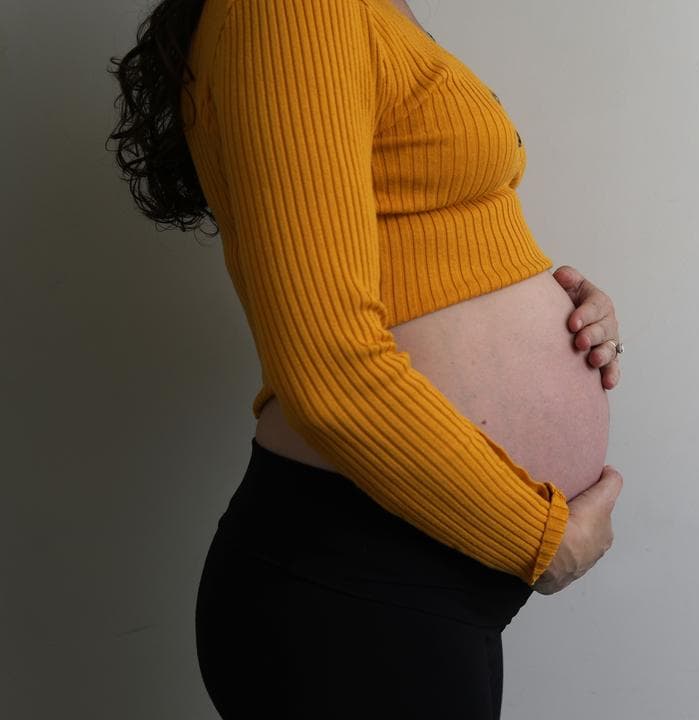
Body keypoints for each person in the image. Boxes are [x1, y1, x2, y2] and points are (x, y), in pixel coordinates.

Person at [106, 0, 626, 716]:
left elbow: (416, 240)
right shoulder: (288, 10)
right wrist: (540, 538)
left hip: (410, 575)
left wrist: (555, 301)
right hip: (356, 575)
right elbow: (329, 366)